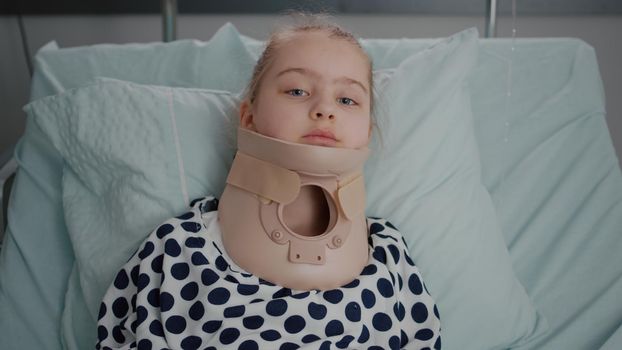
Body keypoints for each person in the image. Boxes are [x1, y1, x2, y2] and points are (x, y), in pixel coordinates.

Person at [96, 14, 441, 350]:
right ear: (248, 117)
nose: (324, 109)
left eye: (347, 99)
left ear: (366, 133)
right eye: (296, 91)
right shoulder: (177, 248)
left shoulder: (388, 255)